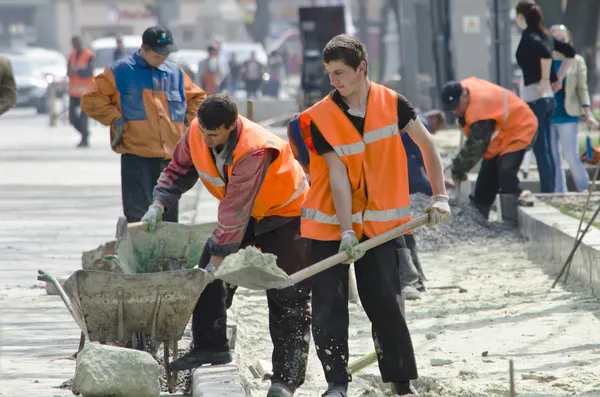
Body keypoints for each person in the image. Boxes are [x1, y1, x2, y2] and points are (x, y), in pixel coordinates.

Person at [297, 34, 450, 397]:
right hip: (330, 223)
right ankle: (337, 382)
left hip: (380, 224)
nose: (334, 81)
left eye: (340, 73)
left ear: (361, 68)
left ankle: (401, 383)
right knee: (329, 307)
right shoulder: (320, 117)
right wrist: (346, 230)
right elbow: (337, 177)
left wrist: (440, 196)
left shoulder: (392, 104)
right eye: (329, 74)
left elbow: (427, 145)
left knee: (386, 304)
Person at [142, 94, 311, 397]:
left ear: (231, 127)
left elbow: (235, 210)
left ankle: (287, 378)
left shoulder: (255, 149)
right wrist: (159, 203)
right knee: (207, 273)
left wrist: (218, 262)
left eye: (214, 134)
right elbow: (178, 170)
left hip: (286, 215)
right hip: (247, 212)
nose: (207, 140)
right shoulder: (198, 131)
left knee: (288, 293)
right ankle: (211, 346)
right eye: (204, 132)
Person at [81, 26, 205, 224]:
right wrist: (115, 118)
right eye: (158, 54)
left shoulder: (176, 74)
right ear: (144, 49)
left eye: (167, 53)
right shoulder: (120, 71)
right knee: (139, 219)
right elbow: (90, 99)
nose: (163, 58)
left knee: (168, 221)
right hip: (136, 158)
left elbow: (198, 99)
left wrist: (187, 124)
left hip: (170, 160)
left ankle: (166, 256)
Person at [441, 77, 538, 226]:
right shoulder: (464, 90)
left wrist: (458, 168)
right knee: (485, 180)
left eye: (457, 106)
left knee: (506, 173)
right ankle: (478, 219)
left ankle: (512, 220)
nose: (455, 111)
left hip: (519, 128)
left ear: (464, 95)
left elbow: (476, 147)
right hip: (499, 134)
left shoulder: (479, 109)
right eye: (451, 108)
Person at [515, 0, 576, 192]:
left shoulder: (530, 37)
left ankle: (548, 191)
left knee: (541, 147)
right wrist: (557, 78)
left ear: (521, 17)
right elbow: (570, 52)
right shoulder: (545, 35)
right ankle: (550, 189)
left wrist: (545, 78)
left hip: (536, 97)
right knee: (547, 147)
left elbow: (545, 55)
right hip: (547, 98)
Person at [549, 24, 598, 192]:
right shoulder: (544, 59)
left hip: (567, 116)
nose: (560, 42)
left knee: (571, 156)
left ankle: (584, 190)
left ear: (568, 40)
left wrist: (587, 112)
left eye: (563, 39)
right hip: (548, 116)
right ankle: (558, 193)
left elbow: (581, 88)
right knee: (553, 158)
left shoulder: (576, 61)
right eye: (556, 39)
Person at [67, 36, 95, 148]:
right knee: (72, 118)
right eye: (73, 44)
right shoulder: (72, 56)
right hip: (73, 93)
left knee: (84, 118)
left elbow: (88, 72)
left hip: (86, 93)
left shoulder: (89, 56)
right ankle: (85, 133)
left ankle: (84, 140)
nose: (75, 46)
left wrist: (76, 72)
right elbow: (68, 71)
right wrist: (75, 72)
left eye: (77, 43)